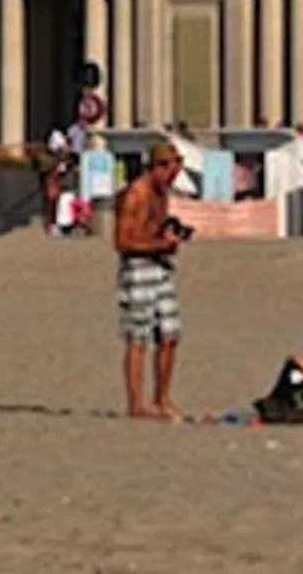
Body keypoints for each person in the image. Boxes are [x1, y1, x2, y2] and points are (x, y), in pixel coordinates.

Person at [113, 142, 189, 421]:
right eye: (169, 170)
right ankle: (136, 404)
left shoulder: (162, 192)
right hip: (138, 268)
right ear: (157, 167)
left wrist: (170, 236)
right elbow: (122, 241)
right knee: (138, 338)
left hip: (160, 266)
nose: (173, 176)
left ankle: (162, 398)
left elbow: (153, 227)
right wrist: (160, 244)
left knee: (170, 334)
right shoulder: (137, 194)